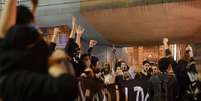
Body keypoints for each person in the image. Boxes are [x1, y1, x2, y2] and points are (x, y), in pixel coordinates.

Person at [0, 25, 78, 101]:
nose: (44, 44)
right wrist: (52, 65)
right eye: (40, 40)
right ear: (29, 47)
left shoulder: (9, 63)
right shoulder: (16, 80)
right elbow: (67, 88)